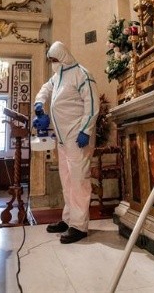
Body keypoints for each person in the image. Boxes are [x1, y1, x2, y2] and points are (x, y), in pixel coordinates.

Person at [33, 41, 99, 244]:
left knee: (79, 181)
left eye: (54, 59)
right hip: (62, 139)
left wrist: (85, 130)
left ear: (62, 57)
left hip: (78, 137)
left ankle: (79, 226)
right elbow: (45, 89)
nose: (52, 63)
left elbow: (92, 104)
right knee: (67, 181)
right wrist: (39, 104)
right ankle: (69, 219)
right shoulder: (58, 76)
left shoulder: (82, 74)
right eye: (50, 60)